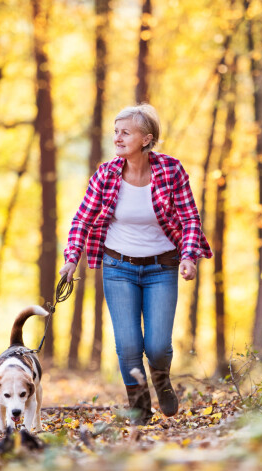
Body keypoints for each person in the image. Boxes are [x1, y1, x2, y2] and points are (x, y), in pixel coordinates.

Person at [59, 103, 212, 424]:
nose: (117, 138)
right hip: (119, 268)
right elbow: (81, 219)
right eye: (115, 132)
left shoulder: (171, 171)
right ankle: (140, 410)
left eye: (125, 132)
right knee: (128, 345)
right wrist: (72, 259)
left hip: (162, 267)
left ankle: (161, 381)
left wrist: (188, 257)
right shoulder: (105, 174)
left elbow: (190, 219)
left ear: (146, 139)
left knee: (157, 346)